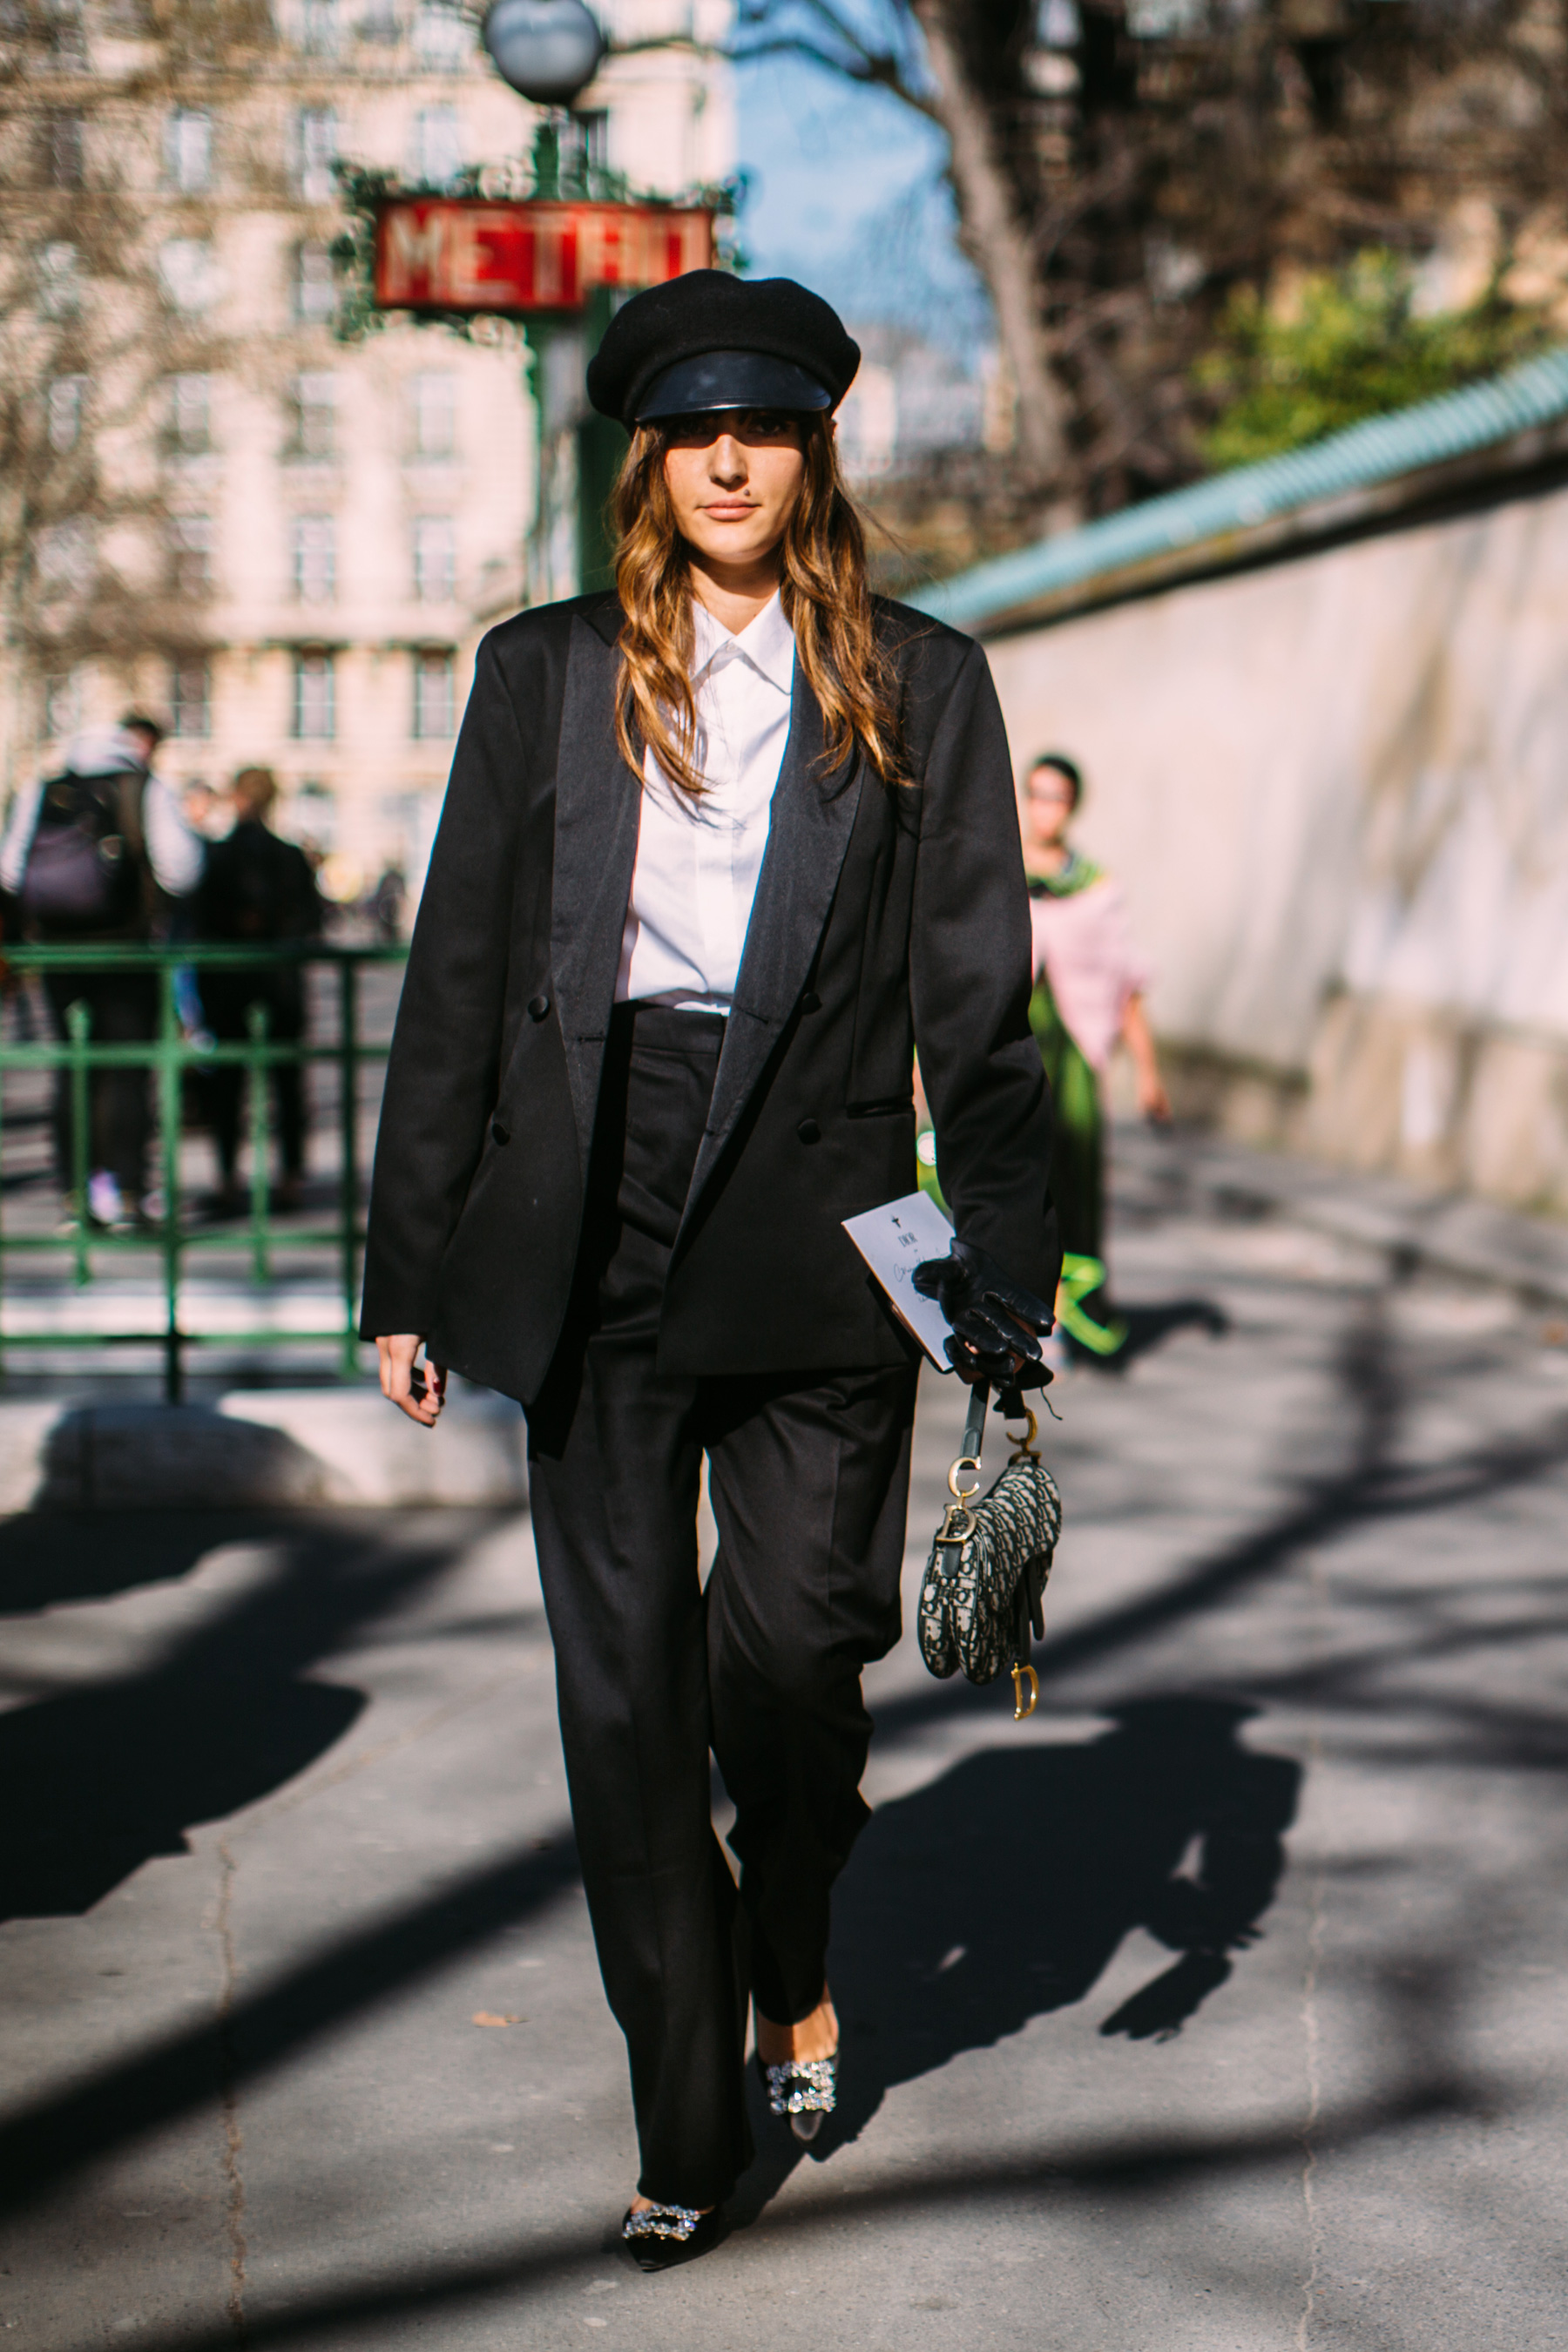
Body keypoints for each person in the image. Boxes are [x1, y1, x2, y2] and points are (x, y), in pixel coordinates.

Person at [360, 272, 1059, 2268]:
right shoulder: (539, 672)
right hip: (589, 1216)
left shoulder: (921, 677)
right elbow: (460, 984)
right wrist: (409, 1266)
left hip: (829, 1222)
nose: (730, 456)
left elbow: (980, 1009)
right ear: (648, 460)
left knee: (787, 1656)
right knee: (624, 1692)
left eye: (763, 425)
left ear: (812, 449)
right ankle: (687, 2119)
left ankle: (796, 1950)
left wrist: (1006, 1273)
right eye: (692, 429)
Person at [0, 722, 202, 1229]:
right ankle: (129, 1191)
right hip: (126, 948)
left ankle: (75, 1193)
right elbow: (182, 867)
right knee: (129, 1069)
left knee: (73, 1066)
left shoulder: (43, 789)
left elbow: (9, 871)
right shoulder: (142, 787)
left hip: (58, 953)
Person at [1021, 751, 1169, 1353]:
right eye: (1035, 793)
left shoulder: (1096, 890)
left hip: (1075, 1058)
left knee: (1070, 1184)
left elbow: (1125, 985)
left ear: (1073, 807)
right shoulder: (995, 871)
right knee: (1003, 1177)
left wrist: (1149, 1073)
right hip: (1013, 1050)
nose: (1044, 807)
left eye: (1056, 796)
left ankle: (1059, 1314)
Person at [195, 766, 323, 1215]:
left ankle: (228, 1179)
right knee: (287, 1084)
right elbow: (312, 921)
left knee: (228, 1085)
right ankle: (290, 1178)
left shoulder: (218, 855)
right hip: (280, 981)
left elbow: (199, 922)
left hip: (230, 981)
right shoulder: (289, 856)